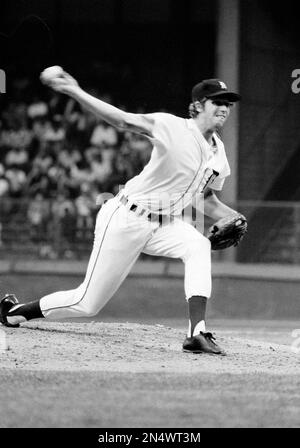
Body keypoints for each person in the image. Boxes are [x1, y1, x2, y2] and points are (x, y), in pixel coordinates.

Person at [0, 70, 241, 355]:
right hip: (126, 217)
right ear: (199, 105)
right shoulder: (173, 127)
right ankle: (13, 312)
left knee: (198, 245)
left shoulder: (219, 152)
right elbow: (123, 120)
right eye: (217, 101)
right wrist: (75, 92)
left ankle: (197, 333)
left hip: (164, 225)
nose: (224, 108)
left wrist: (234, 216)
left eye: (228, 103)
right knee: (87, 303)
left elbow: (204, 197)